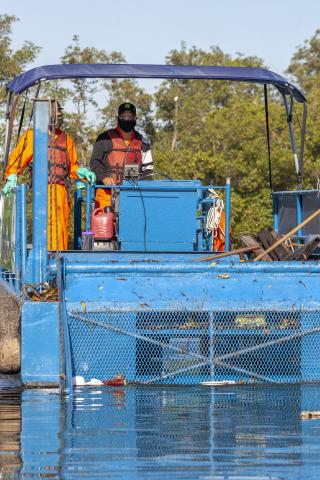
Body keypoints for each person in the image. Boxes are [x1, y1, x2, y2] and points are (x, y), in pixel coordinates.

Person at [3, 100, 96, 250]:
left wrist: (81, 172)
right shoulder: (32, 136)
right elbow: (16, 162)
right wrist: (11, 177)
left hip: (62, 194)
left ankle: (60, 263)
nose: (58, 117)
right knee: (47, 230)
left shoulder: (67, 139)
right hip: (43, 193)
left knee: (62, 230)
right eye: (55, 113)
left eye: (60, 113)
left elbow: (72, 166)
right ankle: (46, 264)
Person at [90, 102, 153, 208]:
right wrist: (103, 178)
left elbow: (148, 172)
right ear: (118, 118)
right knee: (105, 223)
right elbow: (94, 163)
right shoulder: (104, 138)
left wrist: (140, 189)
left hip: (133, 197)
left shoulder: (144, 142)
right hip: (106, 196)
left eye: (130, 116)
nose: (127, 119)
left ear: (135, 118)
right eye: (124, 116)